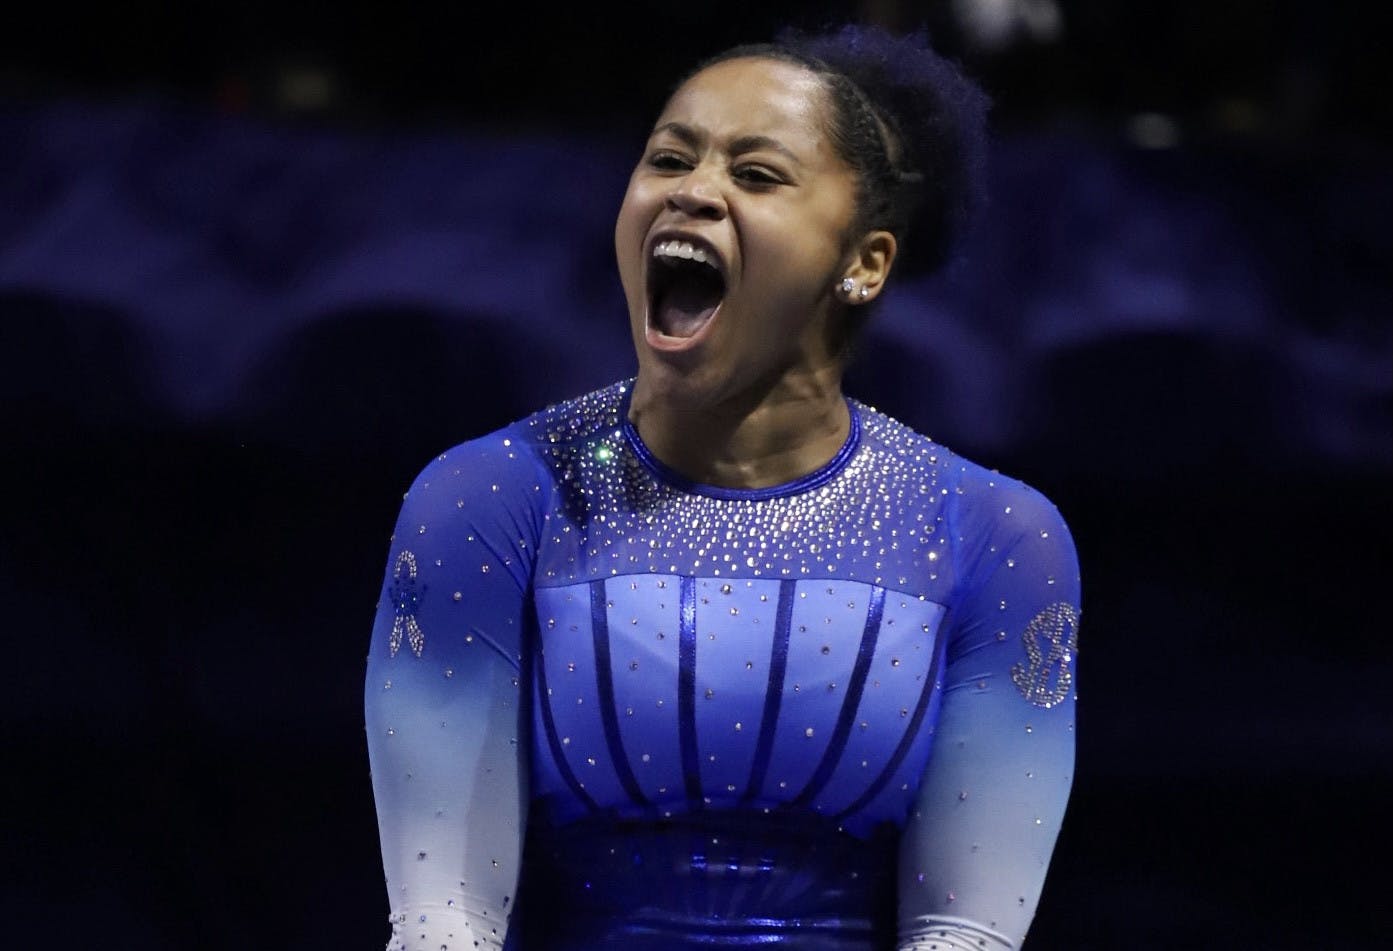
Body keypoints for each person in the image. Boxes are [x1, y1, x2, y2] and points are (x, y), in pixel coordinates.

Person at [365, 25, 1080, 951]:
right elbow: (441, 921)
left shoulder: (991, 534)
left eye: (756, 174)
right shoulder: (491, 499)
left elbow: (967, 932)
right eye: (669, 157)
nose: (693, 191)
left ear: (862, 262)